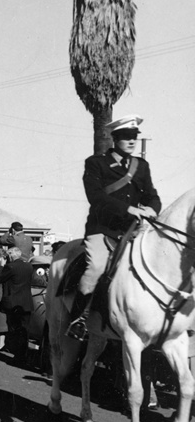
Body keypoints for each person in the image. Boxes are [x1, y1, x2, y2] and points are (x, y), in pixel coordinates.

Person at [66, 114, 161, 340]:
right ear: (115, 138)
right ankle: (78, 319)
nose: (131, 141)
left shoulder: (142, 166)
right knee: (96, 268)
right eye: (126, 137)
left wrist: (152, 210)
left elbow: (152, 196)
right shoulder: (96, 163)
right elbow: (96, 197)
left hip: (134, 231)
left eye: (134, 137)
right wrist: (129, 210)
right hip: (102, 229)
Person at [0, 247, 34, 362]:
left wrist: (1, 266)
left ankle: (17, 354)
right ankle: (23, 353)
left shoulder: (10, 267)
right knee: (24, 329)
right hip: (26, 302)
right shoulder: (29, 266)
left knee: (14, 329)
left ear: (11, 256)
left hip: (13, 302)